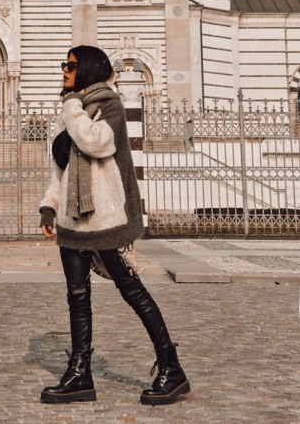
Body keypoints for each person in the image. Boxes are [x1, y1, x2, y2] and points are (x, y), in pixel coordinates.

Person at [39, 45, 190, 407]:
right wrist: (49, 207)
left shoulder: (109, 106)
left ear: (88, 69)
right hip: (72, 220)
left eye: (71, 65)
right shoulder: (69, 112)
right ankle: (80, 374)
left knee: (132, 290)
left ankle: (172, 369)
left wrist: (73, 106)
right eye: (65, 64)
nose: (64, 70)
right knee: (77, 297)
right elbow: (60, 170)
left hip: (105, 218)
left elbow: (96, 143)